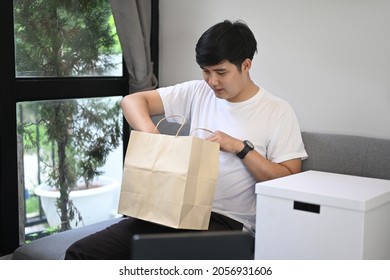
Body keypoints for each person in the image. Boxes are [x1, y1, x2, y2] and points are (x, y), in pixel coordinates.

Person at [65, 19, 307, 260]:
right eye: (206, 71)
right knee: (81, 253)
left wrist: (240, 148)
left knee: (159, 261)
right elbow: (131, 101)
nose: (212, 82)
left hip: (227, 222)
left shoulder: (277, 111)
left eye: (221, 72)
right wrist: (153, 136)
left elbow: (290, 179)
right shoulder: (197, 92)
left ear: (246, 65)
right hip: (173, 209)